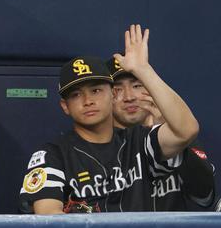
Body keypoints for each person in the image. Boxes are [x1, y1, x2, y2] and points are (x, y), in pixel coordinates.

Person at [19, 26, 199, 214]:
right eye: (76, 95)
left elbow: (186, 129)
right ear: (65, 106)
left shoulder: (139, 141)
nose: (88, 101)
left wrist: (143, 70)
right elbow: (48, 218)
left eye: (96, 91)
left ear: (112, 95)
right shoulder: (52, 155)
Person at [107, 56, 216, 210]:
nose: (129, 97)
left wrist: (173, 140)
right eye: (117, 89)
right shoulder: (99, 145)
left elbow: (204, 196)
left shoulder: (179, 133)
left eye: (137, 86)